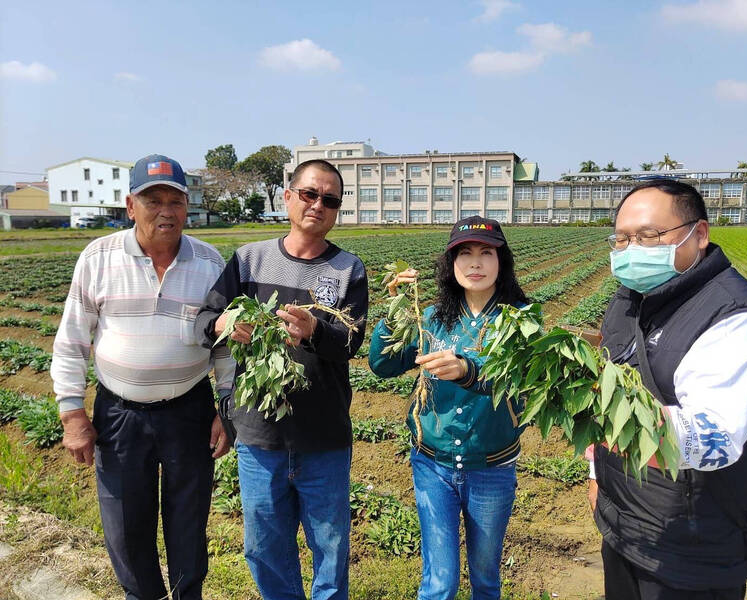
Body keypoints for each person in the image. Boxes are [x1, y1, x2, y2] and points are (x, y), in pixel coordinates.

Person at [587, 178, 747, 600]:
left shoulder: (738, 324)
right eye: (622, 239)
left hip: (692, 550)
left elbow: (710, 440)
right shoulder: (630, 299)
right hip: (624, 526)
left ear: (699, 234)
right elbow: (611, 381)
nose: (631, 250)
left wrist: (604, 418)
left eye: (648, 235)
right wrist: (598, 475)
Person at [50, 154, 236, 600]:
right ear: (131, 206)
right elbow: (72, 340)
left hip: (189, 410)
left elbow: (226, 346)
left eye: (176, 201)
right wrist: (72, 414)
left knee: (189, 519)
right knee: (126, 525)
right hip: (120, 415)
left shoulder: (210, 263)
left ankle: (188, 594)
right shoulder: (98, 257)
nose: (166, 211)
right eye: (154, 201)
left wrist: (226, 409)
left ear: (187, 207)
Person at [194, 159, 368, 600]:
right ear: (288, 197)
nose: (318, 205)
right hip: (259, 436)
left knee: (330, 548)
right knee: (264, 549)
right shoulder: (249, 260)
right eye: (309, 194)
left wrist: (314, 330)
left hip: (323, 436)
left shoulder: (348, 269)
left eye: (330, 200)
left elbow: (350, 341)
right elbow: (204, 322)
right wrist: (225, 323)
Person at [369, 216, 528, 600]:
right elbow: (383, 365)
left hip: (491, 467)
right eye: (464, 253)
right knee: (439, 583)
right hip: (432, 465)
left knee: (485, 578)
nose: (475, 263)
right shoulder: (431, 318)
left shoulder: (521, 320)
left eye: (486, 253)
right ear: (451, 263)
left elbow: (519, 378)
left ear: (501, 261)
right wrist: (395, 312)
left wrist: (468, 370)